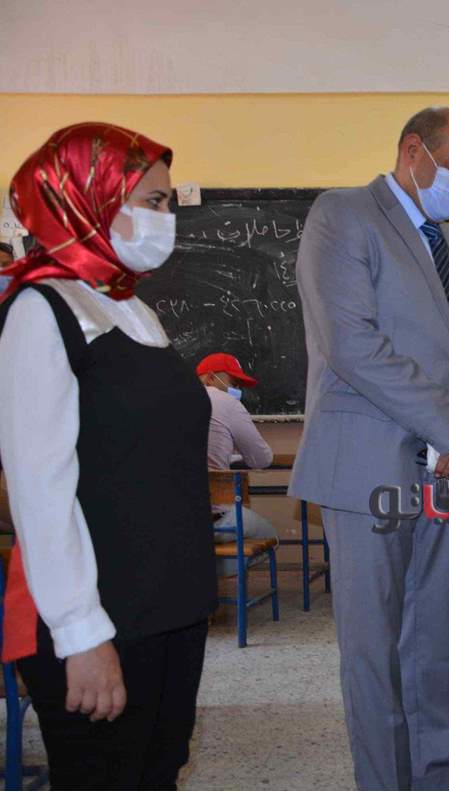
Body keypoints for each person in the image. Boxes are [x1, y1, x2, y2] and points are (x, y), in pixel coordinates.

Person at [0, 123, 215, 788]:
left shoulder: (131, 308)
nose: (166, 217)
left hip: (170, 608)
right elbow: (40, 489)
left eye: (167, 202)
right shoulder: (41, 310)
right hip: (102, 621)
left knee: (158, 773)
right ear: (86, 200)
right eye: (152, 201)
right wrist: (80, 633)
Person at [288, 106, 449, 789]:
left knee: (435, 642)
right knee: (374, 651)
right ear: (413, 151)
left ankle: (434, 777)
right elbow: (353, 346)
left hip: (444, 472)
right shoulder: (343, 216)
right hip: (365, 469)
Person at [196, 352, 278, 577]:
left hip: (168, 517)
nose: (235, 389)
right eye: (233, 382)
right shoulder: (227, 403)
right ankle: (209, 575)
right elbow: (262, 459)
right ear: (210, 378)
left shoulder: (167, 399)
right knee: (268, 535)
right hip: (212, 520)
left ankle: (193, 571)